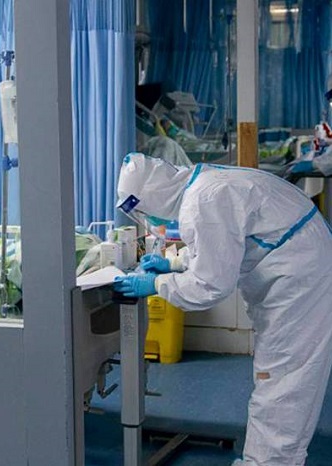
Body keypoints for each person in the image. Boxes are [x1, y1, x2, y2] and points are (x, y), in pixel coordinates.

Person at [113, 153, 332, 466]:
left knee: (282, 379)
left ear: (152, 196)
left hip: (300, 279)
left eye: (142, 210)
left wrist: (157, 284)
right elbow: (222, 242)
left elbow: (210, 286)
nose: (149, 219)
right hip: (300, 265)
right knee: (279, 375)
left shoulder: (202, 201)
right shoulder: (202, 185)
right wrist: (174, 263)